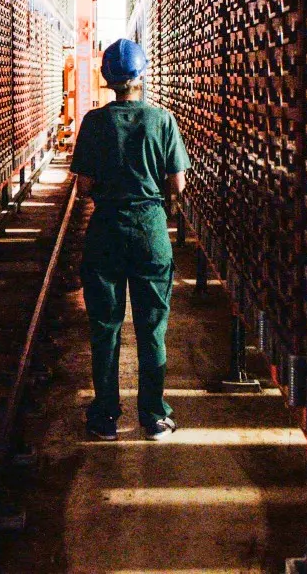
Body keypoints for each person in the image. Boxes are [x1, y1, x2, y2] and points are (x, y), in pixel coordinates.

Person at [70, 39, 190, 441]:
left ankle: (105, 417)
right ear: (142, 75)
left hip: (106, 231)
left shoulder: (93, 122)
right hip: (149, 231)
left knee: (105, 327)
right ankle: (154, 416)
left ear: (108, 79)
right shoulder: (163, 121)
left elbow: (84, 186)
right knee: (152, 327)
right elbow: (178, 184)